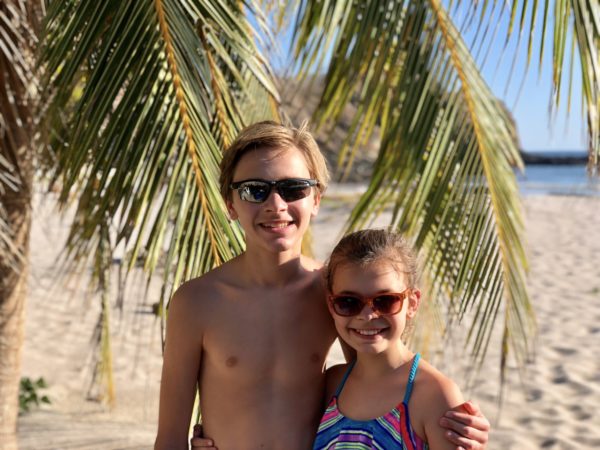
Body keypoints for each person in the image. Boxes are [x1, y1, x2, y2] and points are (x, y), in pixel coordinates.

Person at [155, 121, 490, 450]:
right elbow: (169, 437)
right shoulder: (197, 301)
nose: (275, 205)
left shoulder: (336, 294)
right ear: (230, 204)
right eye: (255, 190)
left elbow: (375, 378)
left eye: (293, 189)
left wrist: (452, 421)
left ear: (315, 199)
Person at [313, 228, 472, 449]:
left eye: (385, 301)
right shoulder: (332, 383)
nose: (367, 315)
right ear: (332, 305)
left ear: (413, 302)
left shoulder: (435, 396)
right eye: (348, 302)